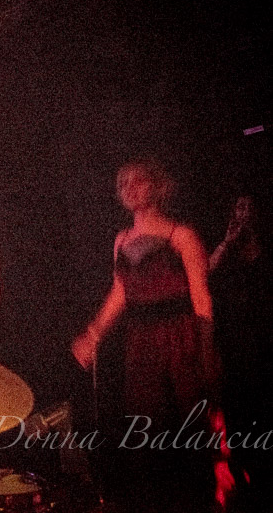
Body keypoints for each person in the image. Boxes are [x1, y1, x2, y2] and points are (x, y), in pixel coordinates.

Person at [71, 159, 221, 513]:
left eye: (137, 180)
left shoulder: (181, 236)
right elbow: (120, 292)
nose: (129, 187)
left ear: (157, 185)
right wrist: (92, 334)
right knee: (147, 428)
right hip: (141, 341)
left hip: (179, 336)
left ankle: (197, 501)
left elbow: (201, 297)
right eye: (122, 182)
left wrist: (206, 351)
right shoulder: (122, 240)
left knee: (188, 423)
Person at [209, 192, 273, 512]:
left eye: (249, 206)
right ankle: (242, 477)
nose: (243, 212)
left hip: (263, 346)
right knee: (236, 413)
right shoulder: (226, 253)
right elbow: (203, 275)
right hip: (233, 345)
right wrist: (226, 241)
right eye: (238, 206)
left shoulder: (265, 253)